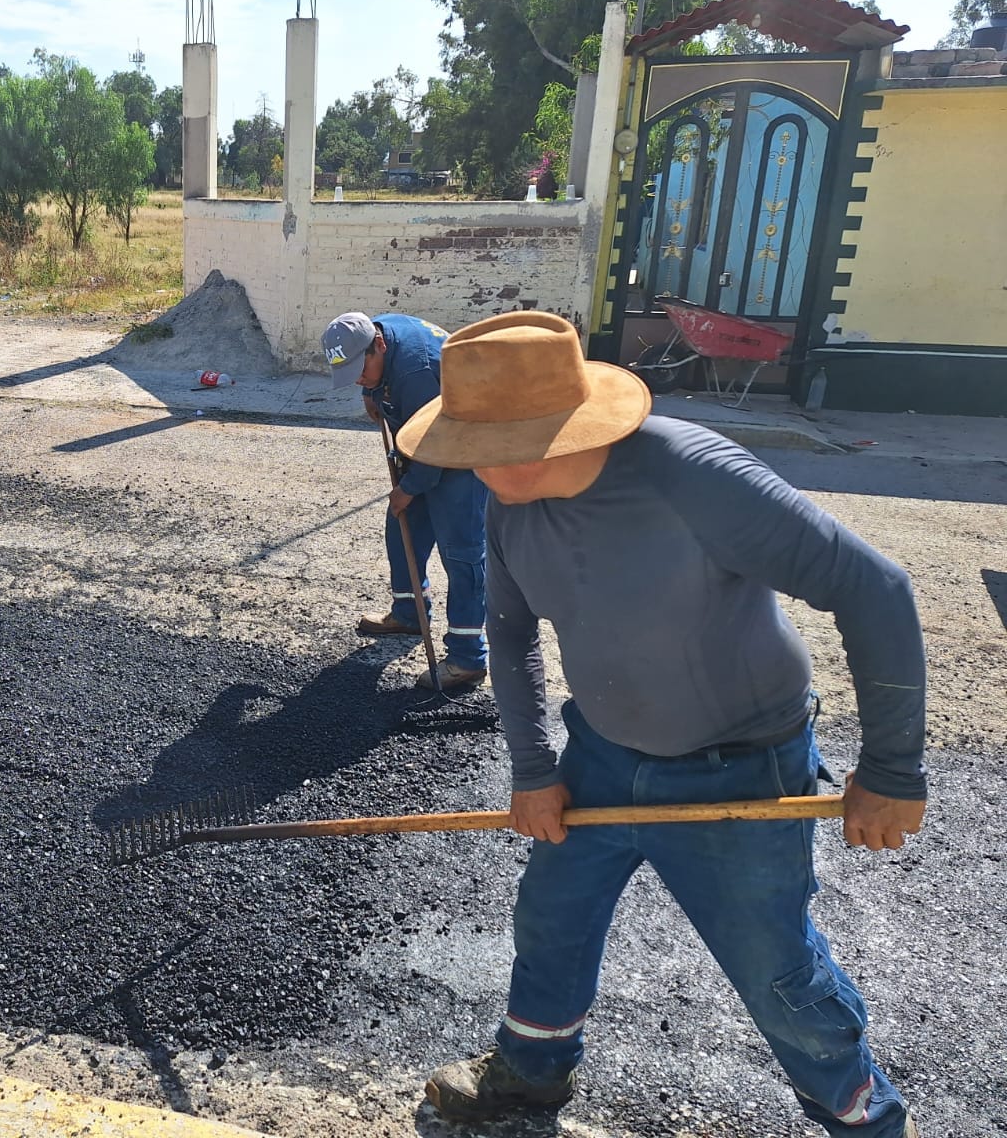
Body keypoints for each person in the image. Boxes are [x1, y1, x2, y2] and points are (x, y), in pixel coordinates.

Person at [394, 311, 926, 1138]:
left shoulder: (692, 475)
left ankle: (866, 1118)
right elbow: (509, 630)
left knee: (775, 970)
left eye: (483, 443)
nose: (467, 463)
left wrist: (892, 772)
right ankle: (531, 1075)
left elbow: (877, 589)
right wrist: (535, 769)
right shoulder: (507, 499)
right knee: (552, 918)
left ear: (553, 429)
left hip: (742, 765)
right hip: (602, 754)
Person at [322, 311, 489, 690]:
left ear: (378, 346)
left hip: (463, 451)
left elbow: (435, 449)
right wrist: (371, 392)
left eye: (360, 372)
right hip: (426, 444)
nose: (359, 382)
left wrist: (409, 488)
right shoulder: (374, 331)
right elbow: (377, 381)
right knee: (402, 530)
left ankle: (468, 658)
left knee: (462, 553)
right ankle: (410, 614)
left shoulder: (418, 372)